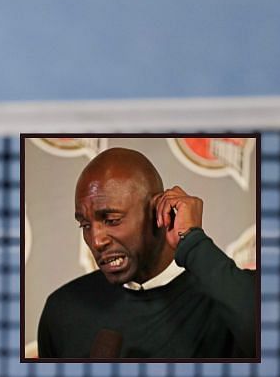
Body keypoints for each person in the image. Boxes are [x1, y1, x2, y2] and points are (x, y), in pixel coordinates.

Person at [37, 147, 257, 359]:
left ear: (158, 212)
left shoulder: (229, 298)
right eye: (85, 225)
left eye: (112, 220)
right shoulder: (63, 310)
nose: (96, 240)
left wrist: (192, 240)